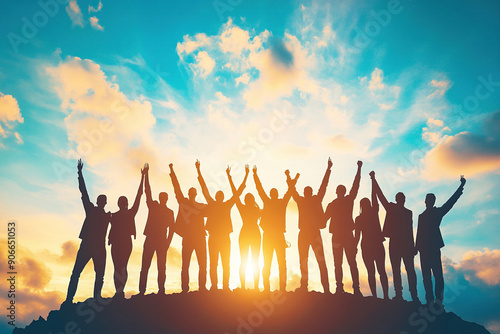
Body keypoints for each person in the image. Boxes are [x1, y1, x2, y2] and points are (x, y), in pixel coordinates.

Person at [64, 159, 111, 305]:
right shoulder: (92, 210)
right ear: (99, 202)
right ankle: (69, 299)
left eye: (102, 200)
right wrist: (79, 173)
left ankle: (95, 297)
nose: (101, 201)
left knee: (98, 275)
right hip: (88, 245)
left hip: (97, 247)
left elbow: (84, 192)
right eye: (100, 200)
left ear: (103, 202)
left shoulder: (107, 215)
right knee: (77, 273)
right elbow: (83, 191)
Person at [416, 176, 466, 305]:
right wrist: (416, 248)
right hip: (424, 250)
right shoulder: (421, 216)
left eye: (431, 200)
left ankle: (438, 300)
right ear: (425, 201)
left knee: (438, 276)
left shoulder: (437, 213)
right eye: (427, 200)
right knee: (426, 277)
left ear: (432, 202)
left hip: (433, 249)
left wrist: (460, 188)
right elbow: (419, 233)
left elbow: (450, 202)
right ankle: (430, 300)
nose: (428, 202)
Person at [372, 173, 419, 302]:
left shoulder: (405, 212)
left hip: (404, 244)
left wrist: (414, 246)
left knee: (407, 270)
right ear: (399, 199)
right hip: (398, 244)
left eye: (401, 198)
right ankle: (401, 294)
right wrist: (374, 181)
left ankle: (412, 295)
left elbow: (410, 230)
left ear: (402, 200)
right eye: (400, 198)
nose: (400, 200)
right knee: (399, 270)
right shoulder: (395, 209)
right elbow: (381, 197)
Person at [288, 158, 332, 293]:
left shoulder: (312, 199)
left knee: (317, 261)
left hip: (313, 233)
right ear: (308, 192)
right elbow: (293, 190)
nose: (308, 192)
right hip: (306, 233)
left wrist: (328, 170)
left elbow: (323, 186)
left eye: (309, 191)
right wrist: (289, 177)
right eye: (308, 191)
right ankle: (305, 287)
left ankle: (325, 289)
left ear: (310, 192)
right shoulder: (303, 200)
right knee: (305, 261)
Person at [196, 160, 241, 291]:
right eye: (218, 194)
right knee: (217, 263)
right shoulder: (215, 204)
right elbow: (204, 189)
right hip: (216, 237)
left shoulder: (223, 204)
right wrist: (198, 171)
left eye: (219, 195)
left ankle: (222, 286)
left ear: (219, 197)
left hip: (222, 237)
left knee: (221, 263)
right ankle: (216, 286)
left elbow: (236, 194)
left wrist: (229, 177)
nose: (218, 196)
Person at [253, 166, 298, 292]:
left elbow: (260, 189)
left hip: (272, 236)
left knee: (271, 263)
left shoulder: (270, 201)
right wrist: (288, 177)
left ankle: (270, 288)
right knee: (279, 263)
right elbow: (289, 190)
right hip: (275, 236)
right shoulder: (280, 202)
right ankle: (279, 289)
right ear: (276, 195)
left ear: (272, 195)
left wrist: (255, 175)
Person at [324, 160, 362, 296]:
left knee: (342, 263)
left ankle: (345, 288)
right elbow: (355, 186)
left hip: (343, 235)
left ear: (337, 192)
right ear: (342, 192)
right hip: (343, 235)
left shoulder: (336, 203)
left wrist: (359, 169)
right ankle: (351, 288)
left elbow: (322, 221)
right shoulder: (343, 202)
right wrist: (358, 169)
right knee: (348, 262)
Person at [108, 164, 146, 299]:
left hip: (122, 243)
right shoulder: (116, 215)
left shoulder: (125, 214)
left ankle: (120, 291)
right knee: (120, 267)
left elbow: (139, 195)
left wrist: (143, 177)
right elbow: (138, 196)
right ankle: (119, 291)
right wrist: (143, 177)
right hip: (119, 243)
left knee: (120, 267)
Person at [169, 163, 208, 293]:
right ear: (192, 194)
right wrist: (172, 172)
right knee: (186, 265)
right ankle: (186, 289)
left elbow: (205, 191)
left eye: (193, 192)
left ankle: (201, 288)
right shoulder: (185, 202)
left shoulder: (200, 206)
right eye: (192, 192)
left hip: (198, 238)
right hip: (189, 238)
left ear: (194, 194)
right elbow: (176, 187)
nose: (192, 194)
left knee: (201, 265)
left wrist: (198, 171)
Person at [138, 163, 175, 295]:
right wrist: (146, 175)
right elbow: (148, 191)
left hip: (160, 241)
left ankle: (161, 290)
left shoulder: (169, 212)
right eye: (162, 197)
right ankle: (143, 291)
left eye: (164, 197)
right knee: (146, 267)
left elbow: (172, 229)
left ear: (165, 199)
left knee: (160, 267)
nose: (162, 199)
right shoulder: (154, 206)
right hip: (152, 239)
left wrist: (167, 243)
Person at [354, 171, 388, 299]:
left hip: (372, 246)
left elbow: (374, 196)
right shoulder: (367, 215)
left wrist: (373, 179)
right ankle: (381, 296)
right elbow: (357, 235)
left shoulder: (369, 214)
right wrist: (354, 247)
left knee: (377, 271)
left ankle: (381, 296)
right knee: (376, 271)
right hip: (370, 246)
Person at [227, 165, 261, 290]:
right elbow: (236, 193)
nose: (248, 200)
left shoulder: (250, 209)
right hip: (249, 233)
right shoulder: (252, 209)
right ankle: (249, 287)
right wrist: (244, 175)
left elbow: (236, 194)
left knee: (249, 261)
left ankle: (252, 287)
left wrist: (232, 177)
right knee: (248, 261)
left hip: (249, 233)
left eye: (248, 198)